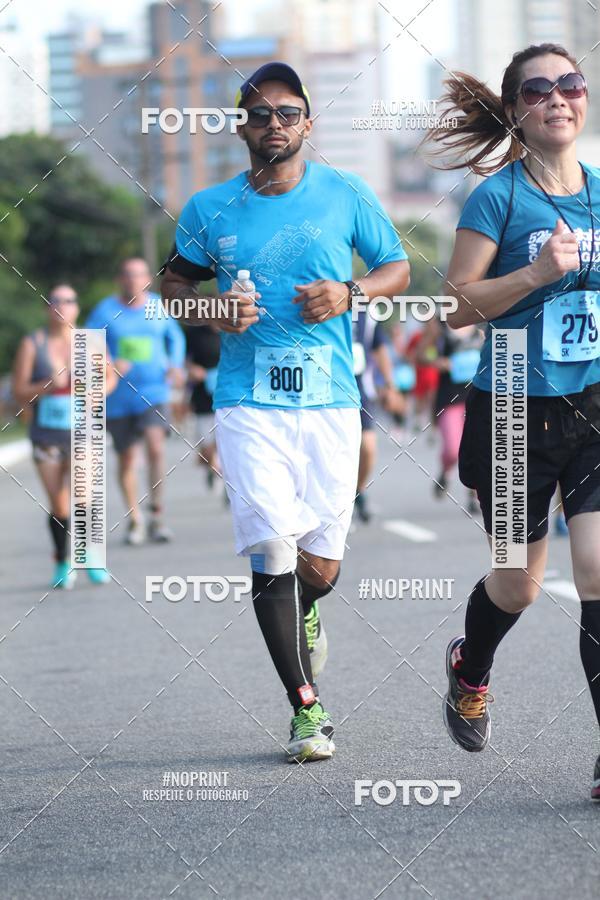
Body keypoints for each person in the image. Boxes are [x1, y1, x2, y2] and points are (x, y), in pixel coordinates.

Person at [161, 62, 410, 761]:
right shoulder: (209, 207)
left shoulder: (345, 193)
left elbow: (396, 268)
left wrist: (351, 293)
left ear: (308, 122)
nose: (275, 123)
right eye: (261, 113)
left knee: (320, 569)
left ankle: (306, 612)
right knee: (273, 548)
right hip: (248, 403)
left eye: (288, 112)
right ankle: (307, 710)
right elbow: (172, 286)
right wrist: (212, 310)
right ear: (241, 126)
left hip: (329, 400)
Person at [427, 44, 600, 799]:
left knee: (598, 572)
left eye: (571, 83)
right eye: (539, 89)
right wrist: (535, 273)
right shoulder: (496, 198)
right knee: (519, 586)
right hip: (511, 412)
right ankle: (471, 667)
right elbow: (456, 307)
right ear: (515, 110)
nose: (558, 97)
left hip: (593, 404)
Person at [12, 285, 116, 588]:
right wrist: (48, 385)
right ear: (47, 308)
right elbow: (18, 391)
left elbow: (110, 377)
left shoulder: (91, 341)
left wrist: (98, 392)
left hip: (84, 431)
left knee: (83, 496)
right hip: (47, 434)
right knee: (59, 504)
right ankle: (62, 560)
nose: (62, 306)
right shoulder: (33, 343)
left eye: (68, 300)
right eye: (55, 301)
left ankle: (88, 554)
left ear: (77, 307)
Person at [86, 259, 186, 545]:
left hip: (154, 391)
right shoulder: (105, 311)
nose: (133, 280)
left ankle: (157, 513)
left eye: (139, 275)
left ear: (147, 279)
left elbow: (175, 339)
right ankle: (135, 518)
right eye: (128, 275)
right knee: (127, 457)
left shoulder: (158, 306)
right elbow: (88, 344)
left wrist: (175, 365)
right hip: (118, 397)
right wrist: (107, 364)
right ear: (120, 279)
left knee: (155, 446)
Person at [417, 316, 482, 506]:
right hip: (450, 396)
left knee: (477, 448)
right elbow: (420, 354)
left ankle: (474, 495)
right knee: (453, 449)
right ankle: (446, 471)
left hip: (477, 394)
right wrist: (439, 362)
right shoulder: (439, 323)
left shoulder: (481, 318)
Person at [352, 307, 398, 523]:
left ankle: (358, 490)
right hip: (325, 386)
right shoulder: (321, 298)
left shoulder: (369, 312)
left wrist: (389, 385)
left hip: (360, 389)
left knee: (368, 446)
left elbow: (379, 348)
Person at [184, 322, 221, 485]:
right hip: (202, 395)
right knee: (207, 442)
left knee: (224, 438)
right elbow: (183, 359)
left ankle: (221, 473)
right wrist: (192, 369)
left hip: (228, 393)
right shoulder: (195, 332)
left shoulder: (236, 329)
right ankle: (211, 465)